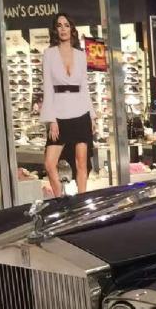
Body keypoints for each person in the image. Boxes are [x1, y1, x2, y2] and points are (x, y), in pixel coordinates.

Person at [40, 13, 95, 197]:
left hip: (81, 112)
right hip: (59, 114)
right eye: (59, 25)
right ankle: (60, 199)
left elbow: (84, 87)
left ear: (72, 29)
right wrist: (51, 119)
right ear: (55, 30)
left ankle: (82, 201)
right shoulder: (49, 54)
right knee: (50, 164)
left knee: (81, 163)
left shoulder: (80, 55)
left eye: (66, 25)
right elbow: (48, 88)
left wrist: (92, 116)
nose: (63, 29)